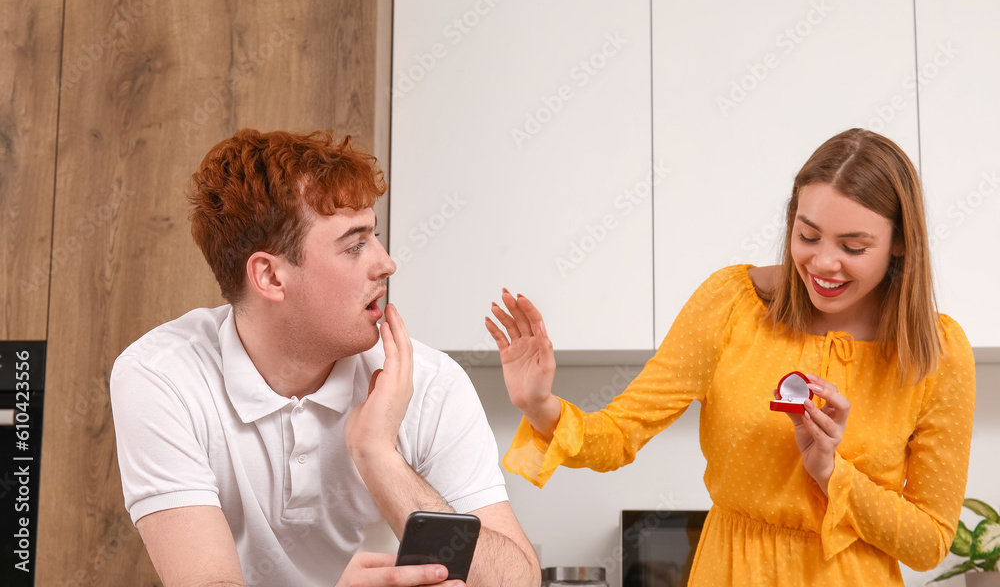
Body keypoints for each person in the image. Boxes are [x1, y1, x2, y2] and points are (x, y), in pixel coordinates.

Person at [485, 129, 976, 587]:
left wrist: (832, 473)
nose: (824, 263)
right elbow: (617, 436)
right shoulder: (731, 304)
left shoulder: (936, 352)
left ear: (900, 244)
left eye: (853, 247)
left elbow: (929, 542)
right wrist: (539, 405)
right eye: (808, 237)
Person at [110, 129, 540, 587]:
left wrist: (378, 455)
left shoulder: (431, 384)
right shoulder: (162, 377)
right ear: (271, 276)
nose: (386, 263)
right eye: (355, 245)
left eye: (374, 236)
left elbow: (518, 581)